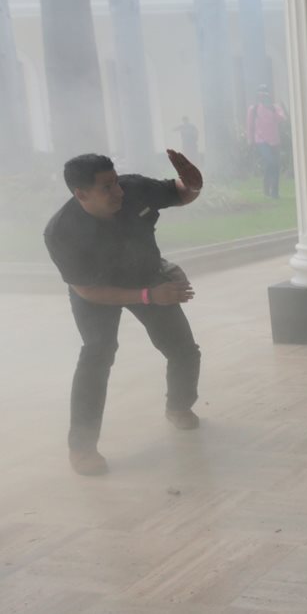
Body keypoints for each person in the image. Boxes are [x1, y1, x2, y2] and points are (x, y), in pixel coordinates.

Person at [43, 150, 205, 476]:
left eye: (116, 182)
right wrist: (149, 296)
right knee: (97, 354)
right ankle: (83, 446)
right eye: (107, 187)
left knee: (183, 348)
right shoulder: (61, 231)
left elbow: (181, 193)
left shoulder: (133, 189)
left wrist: (193, 184)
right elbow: (87, 291)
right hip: (96, 290)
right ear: (81, 194)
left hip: (145, 273)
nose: (118, 191)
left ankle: (178, 405)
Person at [246, 85, 287, 198]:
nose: (263, 98)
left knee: (275, 165)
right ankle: (266, 187)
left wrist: (273, 110)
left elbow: (282, 119)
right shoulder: (253, 109)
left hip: (275, 141)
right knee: (271, 162)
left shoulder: (275, 107)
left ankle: (275, 192)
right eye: (261, 95)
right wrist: (250, 140)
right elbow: (250, 126)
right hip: (261, 140)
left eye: (265, 95)